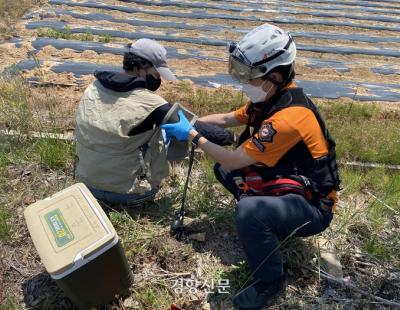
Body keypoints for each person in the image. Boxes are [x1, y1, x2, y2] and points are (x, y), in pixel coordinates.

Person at [160, 23, 341, 309]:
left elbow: (233, 158)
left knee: (246, 208)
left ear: (276, 75)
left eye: (249, 76)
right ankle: (267, 225)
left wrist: (192, 136)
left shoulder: (288, 118)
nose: (243, 82)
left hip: (314, 207)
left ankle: (271, 280)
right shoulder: (271, 98)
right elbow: (228, 119)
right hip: (290, 182)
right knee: (224, 170)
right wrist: (191, 121)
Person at [75, 38, 235, 206]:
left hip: (85, 184)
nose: (158, 78)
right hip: (128, 193)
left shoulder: (95, 87)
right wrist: (233, 138)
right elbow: (196, 128)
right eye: (156, 73)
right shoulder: (152, 104)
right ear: (139, 68)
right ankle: (149, 182)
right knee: (169, 130)